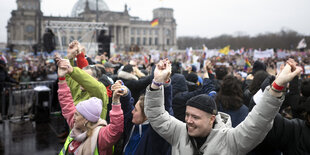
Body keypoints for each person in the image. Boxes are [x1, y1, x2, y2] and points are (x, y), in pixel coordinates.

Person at [144, 58, 302, 154]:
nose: (188, 121)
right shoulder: (179, 132)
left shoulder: (230, 141)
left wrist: (276, 88)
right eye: (187, 115)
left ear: (212, 119)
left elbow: (258, 122)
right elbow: (157, 115)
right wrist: (156, 83)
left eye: (195, 117)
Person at [57, 63, 124, 155]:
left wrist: (116, 102)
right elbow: (67, 104)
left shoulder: (100, 93)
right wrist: (61, 78)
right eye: (80, 75)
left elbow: (116, 129)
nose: (81, 80)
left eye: (85, 77)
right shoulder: (76, 123)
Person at [110, 79, 173, 155]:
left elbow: (165, 108)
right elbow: (127, 107)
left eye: (136, 110)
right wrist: (125, 91)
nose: (132, 112)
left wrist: (164, 82)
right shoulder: (133, 125)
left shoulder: (155, 132)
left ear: (147, 114)